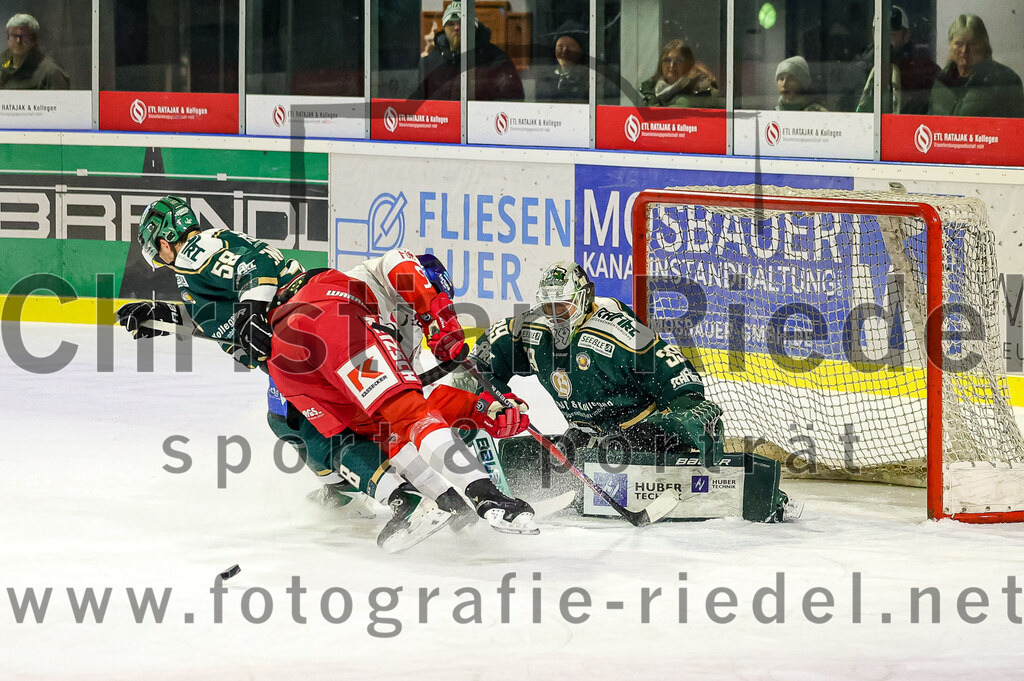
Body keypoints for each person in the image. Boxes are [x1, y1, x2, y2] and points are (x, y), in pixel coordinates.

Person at [115, 196, 538, 546]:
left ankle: (439, 498)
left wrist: (481, 406)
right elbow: (249, 283)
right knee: (395, 419)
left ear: (165, 239)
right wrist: (172, 314)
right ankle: (477, 496)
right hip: (318, 325)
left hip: (292, 361)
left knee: (375, 431)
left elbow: (246, 285)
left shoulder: (195, 257)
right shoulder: (373, 282)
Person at [456, 261, 797, 523]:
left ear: (583, 299)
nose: (556, 316)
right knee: (520, 455)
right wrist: (489, 398)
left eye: (564, 308)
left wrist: (686, 410)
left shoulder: (619, 332)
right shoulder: (530, 330)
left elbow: (677, 373)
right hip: (588, 437)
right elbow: (478, 366)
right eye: (549, 308)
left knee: (612, 455)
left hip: (646, 434)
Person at [417, 1, 524, 101]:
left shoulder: (497, 61)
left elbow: (513, 102)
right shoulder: (429, 63)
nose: (457, 27)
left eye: (462, 23)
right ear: (444, 29)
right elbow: (418, 105)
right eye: (450, 23)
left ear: (474, 27)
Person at [928, 14, 1024, 118]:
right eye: (959, 43)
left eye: (973, 43)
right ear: (950, 44)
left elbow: (1016, 129)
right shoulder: (941, 81)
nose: (965, 50)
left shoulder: (1006, 80)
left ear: (984, 45)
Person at [855, 6, 939, 114]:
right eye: (880, 34)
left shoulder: (922, 73)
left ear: (906, 36)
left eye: (891, 35)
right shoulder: (858, 72)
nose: (884, 41)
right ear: (873, 34)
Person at [639, 39, 721, 108]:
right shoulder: (649, 89)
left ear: (688, 64)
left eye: (678, 61)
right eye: (667, 60)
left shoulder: (700, 86)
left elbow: (719, 105)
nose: (672, 65)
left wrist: (685, 102)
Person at [0, 14, 69, 89]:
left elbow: (61, 100)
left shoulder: (51, 72)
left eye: (24, 36)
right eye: (14, 36)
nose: (18, 41)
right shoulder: (2, 64)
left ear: (34, 39)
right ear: (7, 38)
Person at [535, 21, 588, 103]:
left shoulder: (588, 80)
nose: (564, 51)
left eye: (571, 46)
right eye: (560, 46)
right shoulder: (544, 78)